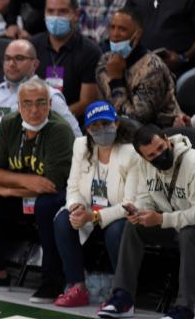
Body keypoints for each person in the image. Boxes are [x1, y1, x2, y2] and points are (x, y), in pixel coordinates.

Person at [0, 78, 75, 303]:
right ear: (19, 106)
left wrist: (8, 190)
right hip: (22, 193)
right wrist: (25, 182)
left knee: (47, 204)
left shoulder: (59, 130)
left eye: (41, 103)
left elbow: (51, 184)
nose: (34, 110)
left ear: (50, 104)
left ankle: (53, 280)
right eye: (27, 104)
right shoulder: (10, 123)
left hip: (55, 197)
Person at [98, 125, 195, 319]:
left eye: (161, 148)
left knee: (191, 232)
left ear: (167, 140)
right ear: (144, 158)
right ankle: (123, 298)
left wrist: (161, 220)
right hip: (176, 219)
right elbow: (146, 198)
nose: (159, 156)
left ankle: (186, 310)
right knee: (133, 227)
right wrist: (141, 213)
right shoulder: (145, 165)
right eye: (152, 155)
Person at [52, 101, 140, 306]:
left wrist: (94, 216)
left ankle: (123, 294)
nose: (101, 129)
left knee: (116, 229)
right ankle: (76, 287)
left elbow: (131, 203)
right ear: (88, 129)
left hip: (122, 216)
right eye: (95, 126)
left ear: (117, 124)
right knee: (63, 219)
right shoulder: (81, 146)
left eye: (106, 123)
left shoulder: (132, 153)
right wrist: (76, 207)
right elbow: (72, 188)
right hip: (90, 213)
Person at [95, 8, 182, 128]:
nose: (115, 34)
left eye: (122, 29)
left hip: (157, 134)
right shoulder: (104, 61)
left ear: (137, 34)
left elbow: (137, 120)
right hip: (114, 130)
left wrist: (116, 80)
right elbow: (101, 106)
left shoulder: (152, 68)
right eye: (112, 27)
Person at [30, 0, 102, 120]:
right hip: (34, 118)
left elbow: (87, 102)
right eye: (50, 11)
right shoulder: (32, 46)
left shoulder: (90, 51)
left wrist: (51, 119)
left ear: (76, 15)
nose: (55, 17)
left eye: (62, 12)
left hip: (72, 123)